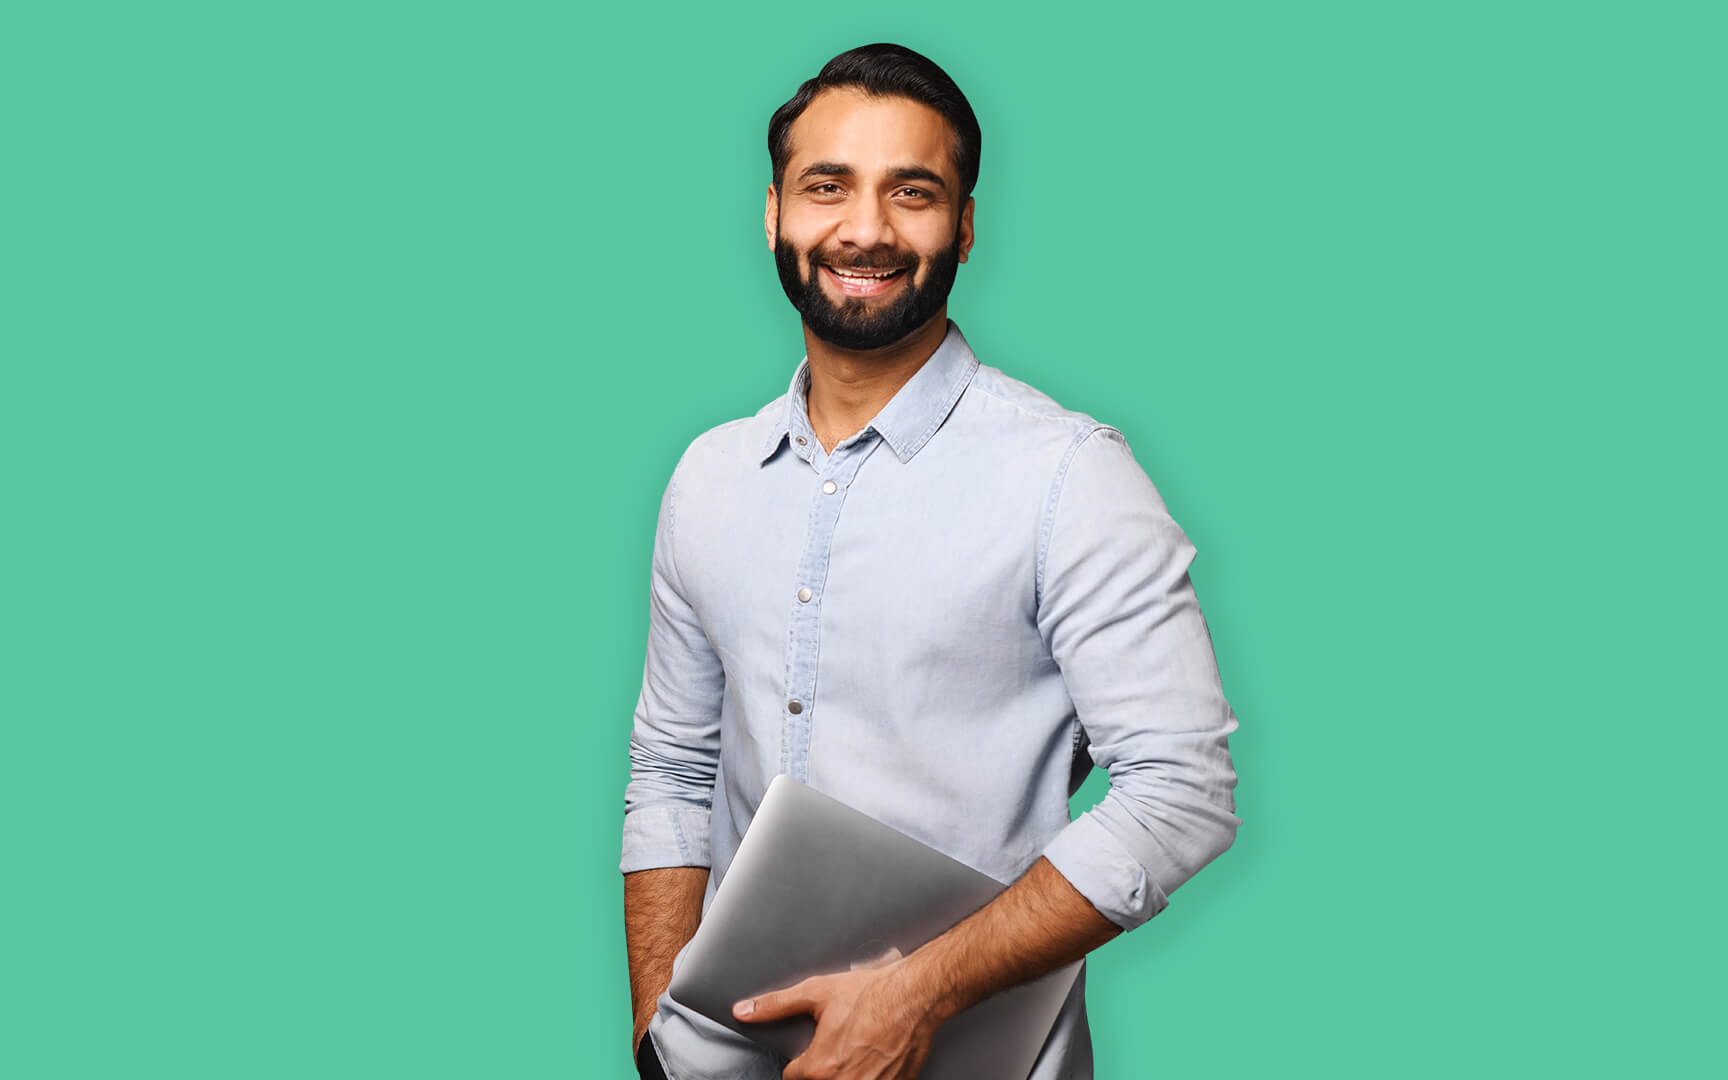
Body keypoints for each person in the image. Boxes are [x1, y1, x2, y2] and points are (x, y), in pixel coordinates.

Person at [621, 42, 1241, 1080]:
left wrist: (917, 994)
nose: (864, 229)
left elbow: (1181, 790)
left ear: (963, 226)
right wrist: (659, 1036)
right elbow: (673, 770)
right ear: (774, 212)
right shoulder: (707, 478)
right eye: (829, 187)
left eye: (912, 192)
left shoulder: (1069, 479)